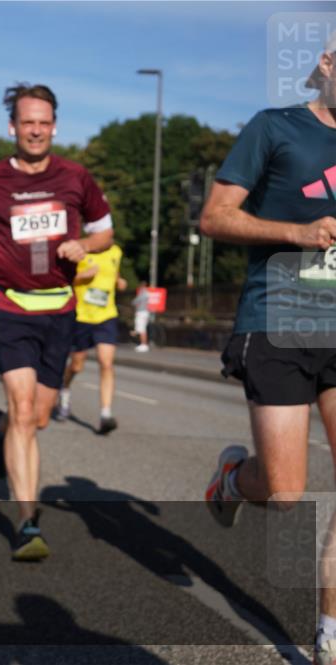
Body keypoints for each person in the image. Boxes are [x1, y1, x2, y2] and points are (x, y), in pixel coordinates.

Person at [199, 33, 336, 664]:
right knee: (284, 494)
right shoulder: (274, 127)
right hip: (278, 317)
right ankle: (232, 479)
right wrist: (296, 232)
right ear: (327, 65)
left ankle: (330, 630)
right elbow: (216, 217)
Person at [0, 83, 114, 561]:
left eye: (44, 122)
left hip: (60, 309)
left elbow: (104, 231)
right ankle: (27, 522)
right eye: (28, 122)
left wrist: (85, 246)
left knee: (37, 417)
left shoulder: (75, 177)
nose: (37, 130)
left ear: (55, 126)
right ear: (13, 127)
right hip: (8, 308)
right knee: (24, 408)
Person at [56, 245, 127, 434]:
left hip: (106, 315)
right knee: (77, 365)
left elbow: (114, 273)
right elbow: (62, 279)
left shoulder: (115, 252)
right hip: (82, 316)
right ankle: (64, 390)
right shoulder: (79, 250)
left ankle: (105, 414)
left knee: (106, 362)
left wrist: (119, 281)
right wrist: (83, 276)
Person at [131, 280, 151, 352]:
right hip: (145, 312)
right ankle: (142, 343)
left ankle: (143, 345)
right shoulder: (147, 293)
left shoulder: (143, 293)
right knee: (142, 329)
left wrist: (132, 302)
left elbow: (136, 301)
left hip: (141, 312)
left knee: (141, 329)